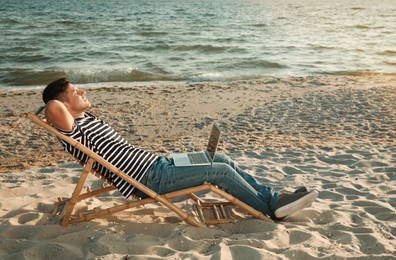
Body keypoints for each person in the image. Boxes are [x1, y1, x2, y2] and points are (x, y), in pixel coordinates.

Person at [42, 78, 319, 220]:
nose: (83, 93)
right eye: (76, 92)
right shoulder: (71, 129)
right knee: (220, 172)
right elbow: (51, 107)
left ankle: (273, 198)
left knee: (218, 158)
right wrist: (60, 100)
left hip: (160, 165)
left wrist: (73, 98)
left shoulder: (86, 118)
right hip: (150, 180)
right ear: (63, 105)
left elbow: (62, 104)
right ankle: (270, 211)